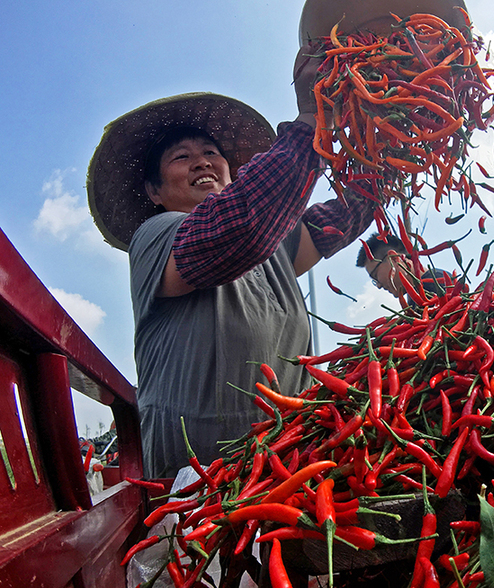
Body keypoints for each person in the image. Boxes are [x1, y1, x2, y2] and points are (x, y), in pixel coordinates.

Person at [87, 49, 377, 478]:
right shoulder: (158, 236)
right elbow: (242, 225)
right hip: (197, 478)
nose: (203, 161)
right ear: (154, 190)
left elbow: (349, 211)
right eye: (182, 157)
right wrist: (311, 119)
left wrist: (378, 133)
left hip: (291, 462)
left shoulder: (277, 243)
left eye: (211, 152)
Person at [356, 233, 448, 300]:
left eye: (376, 276)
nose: (379, 285)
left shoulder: (435, 286)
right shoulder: (416, 294)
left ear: (394, 258)